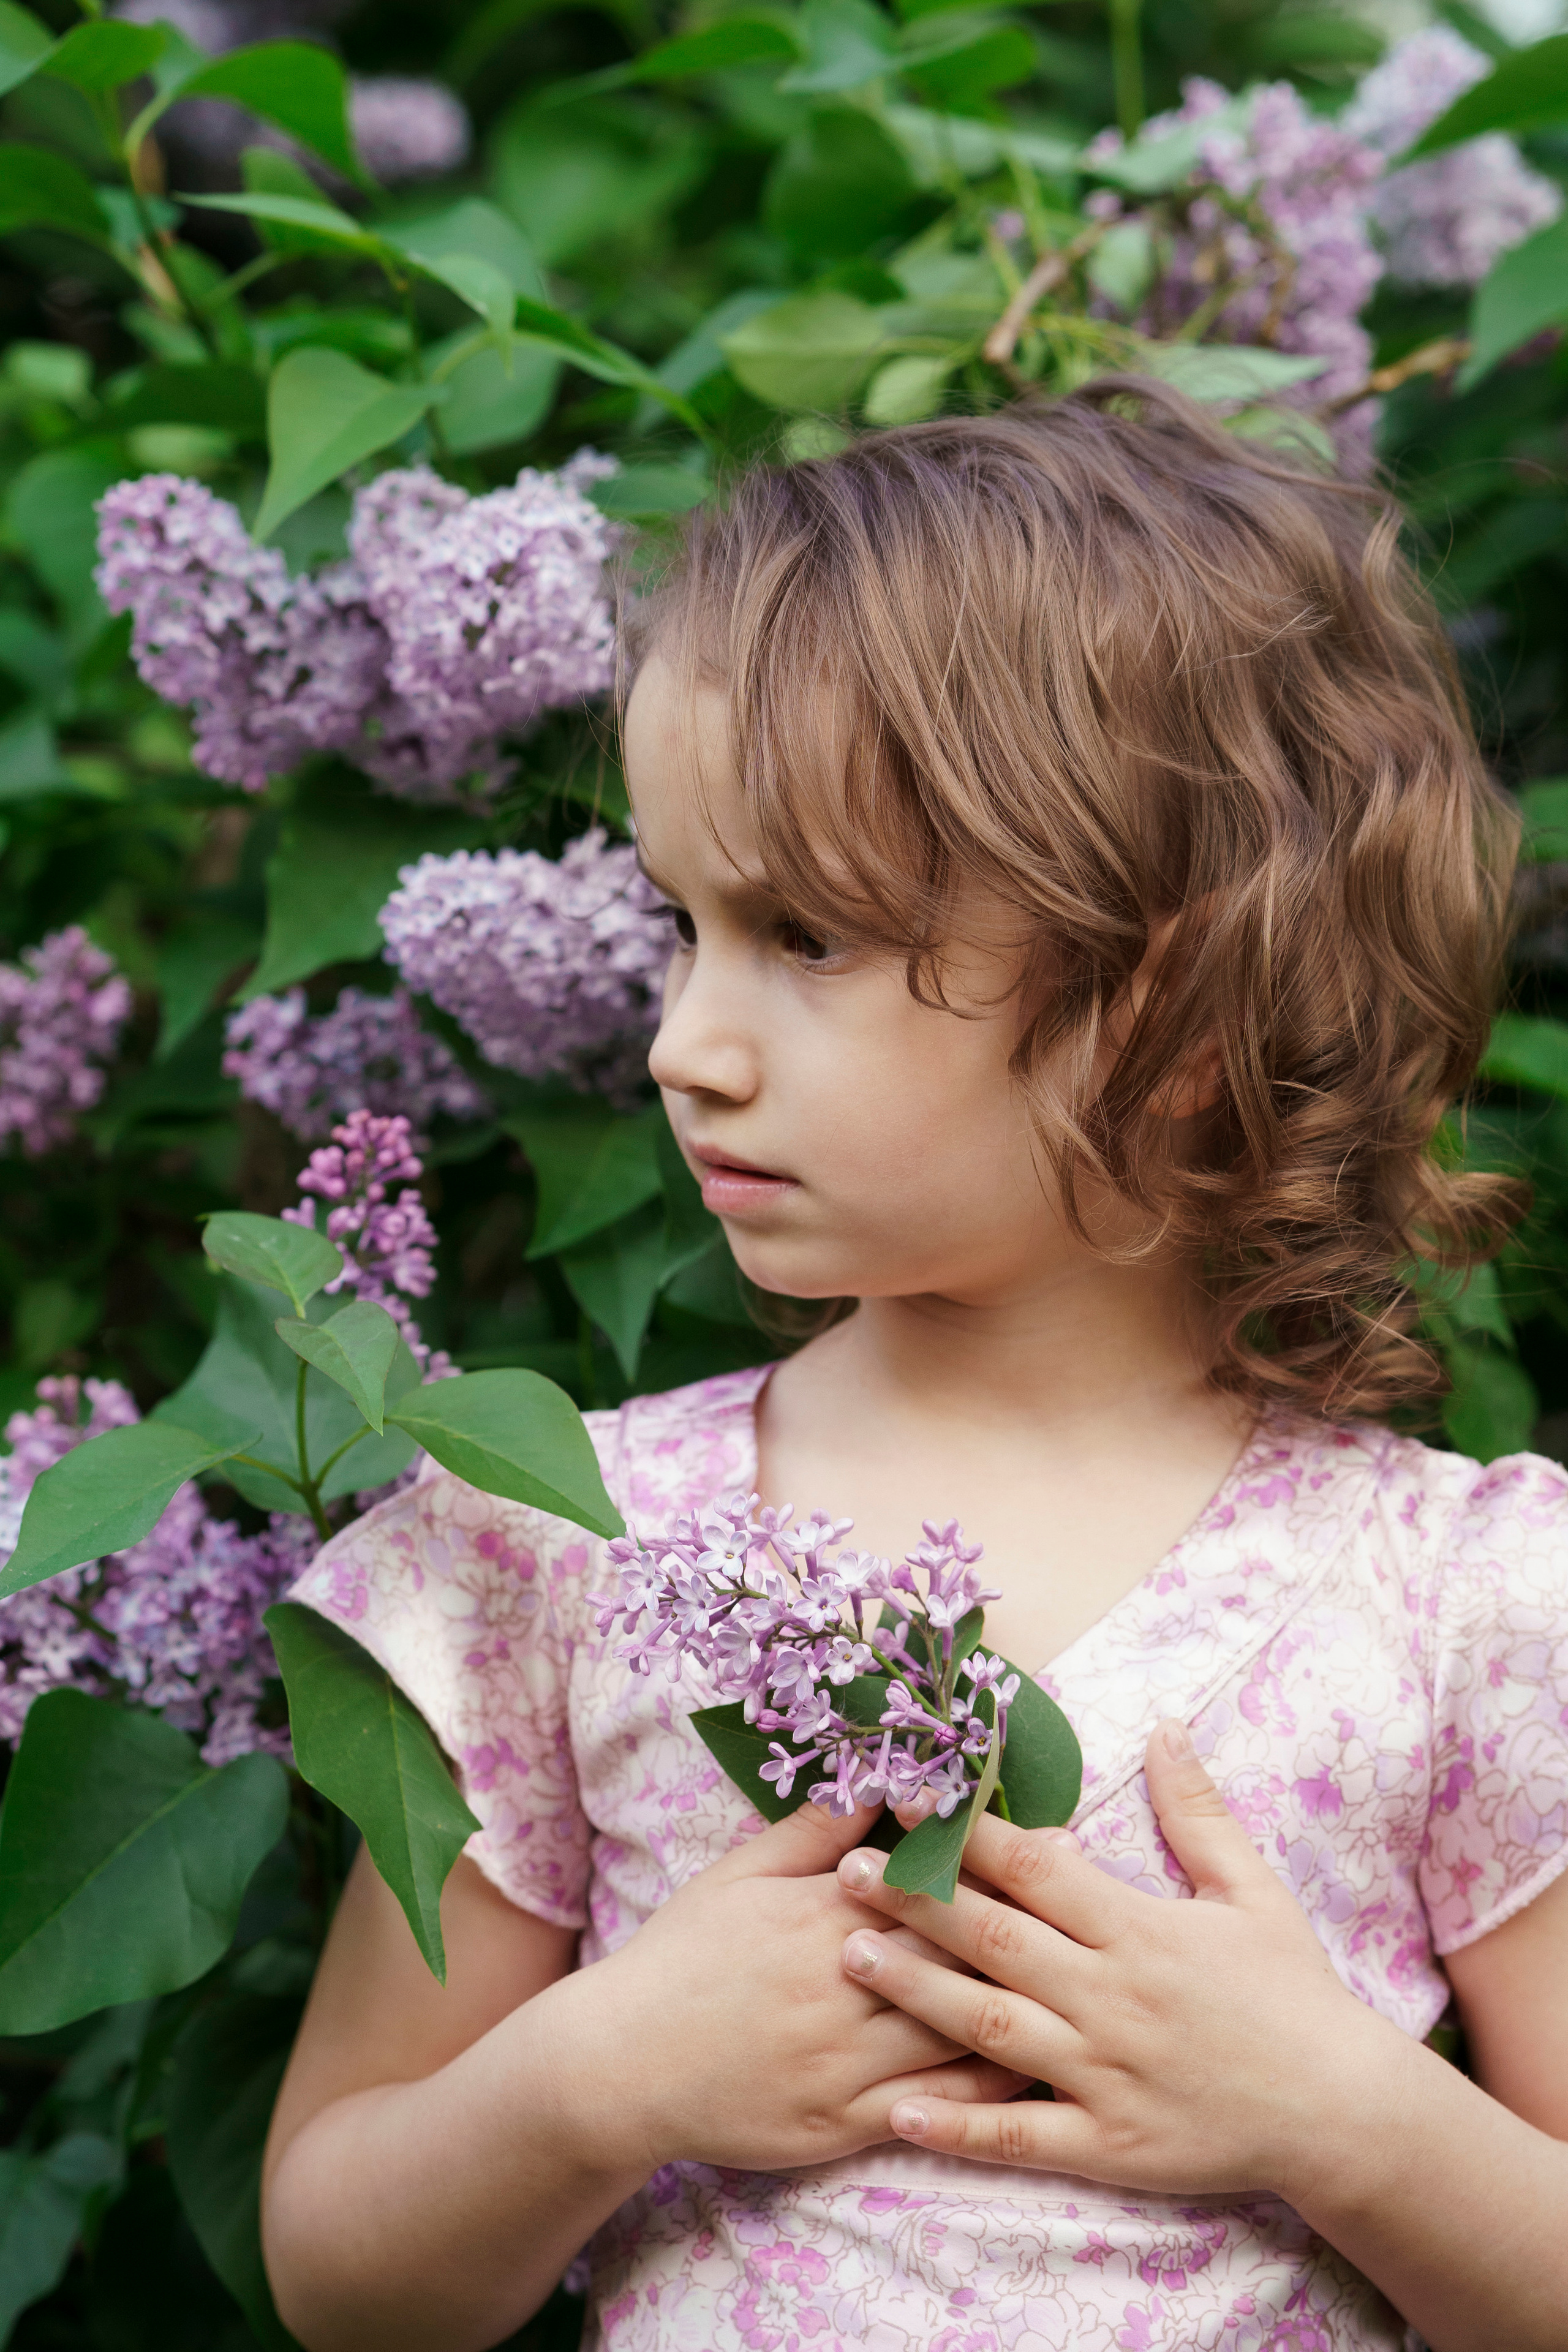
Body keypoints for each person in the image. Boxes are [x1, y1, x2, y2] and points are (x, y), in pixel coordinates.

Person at [260, 383, 1568, 2352]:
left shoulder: (1462, 1598)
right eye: (679, 923)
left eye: (805, 934)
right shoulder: (555, 1536)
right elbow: (341, 2271)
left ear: (1176, 1001)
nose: (684, 1043)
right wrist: (597, 2079)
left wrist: (1348, 2120)